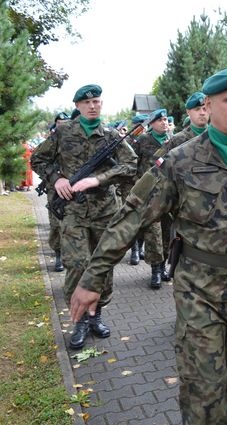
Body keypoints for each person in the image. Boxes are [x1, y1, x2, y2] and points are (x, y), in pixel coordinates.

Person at [69, 64, 227, 424]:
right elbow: (131, 217)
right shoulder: (180, 161)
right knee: (203, 393)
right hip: (200, 292)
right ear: (208, 106)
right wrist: (92, 279)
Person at [31, 84, 137, 350]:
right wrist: (57, 179)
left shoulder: (111, 136)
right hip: (73, 212)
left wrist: (98, 179)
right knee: (78, 264)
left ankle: (96, 316)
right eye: (87, 102)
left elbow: (131, 165)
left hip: (105, 211)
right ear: (78, 106)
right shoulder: (64, 132)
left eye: (97, 101)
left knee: (102, 266)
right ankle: (78, 321)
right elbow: (37, 160)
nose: (93, 106)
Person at [133, 108, 172, 288]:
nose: (164, 123)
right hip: (150, 196)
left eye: (165, 120)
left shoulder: (173, 141)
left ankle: (163, 266)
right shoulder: (142, 141)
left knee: (166, 233)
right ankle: (155, 270)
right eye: (160, 120)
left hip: (170, 196)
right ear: (152, 123)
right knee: (153, 234)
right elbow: (132, 164)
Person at [46, 111, 71, 272]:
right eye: (60, 123)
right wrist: (55, 177)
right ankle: (58, 254)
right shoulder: (52, 141)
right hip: (54, 189)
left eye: (66, 122)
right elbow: (40, 161)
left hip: (73, 188)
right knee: (56, 224)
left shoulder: (74, 139)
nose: (63, 125)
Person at [153, 91, 209, 159]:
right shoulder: (176, 140)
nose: (202, 113)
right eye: (197, 109)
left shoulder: (218, 136)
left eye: (205, 109)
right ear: (188, 112)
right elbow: (156, 161)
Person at [124, 114, 148, 266]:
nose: (142, 128)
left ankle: (140, 247)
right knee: (133, 220)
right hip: (131, 186)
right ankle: (133, 249)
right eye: (139, 126)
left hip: (147, 187)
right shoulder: (126, 142)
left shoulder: (146, 141)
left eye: (143, 126)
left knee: (146, 220)